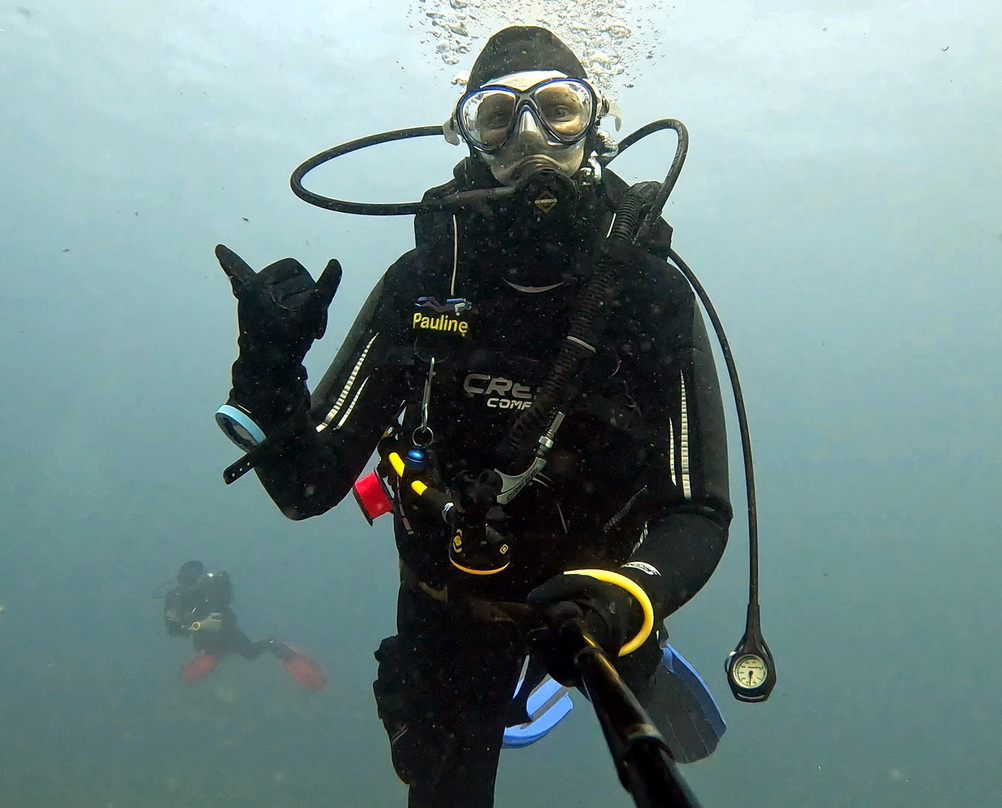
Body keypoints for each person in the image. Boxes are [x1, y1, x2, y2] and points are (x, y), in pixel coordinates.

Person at [215, 25, 730, 807]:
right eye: (499, 118)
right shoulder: (424, 284)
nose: (530, 140)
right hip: (451, 598)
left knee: (670, 745)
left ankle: (637, 658)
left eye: (556, 109)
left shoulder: (650, 296)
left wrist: (631, 594)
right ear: (468, 137)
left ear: (597, 126)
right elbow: (305, 488)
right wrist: (266, 372)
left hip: (592, 593)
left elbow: (698, 509)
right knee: (438, 782)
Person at [163, 560, 325, 691]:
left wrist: (218, 583)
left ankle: (277, 648)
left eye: (194, 579)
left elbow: (226, 600)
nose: (191, 586)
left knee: (250, 652)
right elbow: (173, 629)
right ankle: (218, 655)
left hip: (228, 633)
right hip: (210, 640)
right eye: (186, 580)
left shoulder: (208, 587)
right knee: (243, 651)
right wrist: (199, 625)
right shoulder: (175, 599)